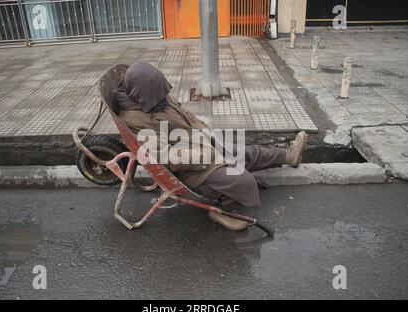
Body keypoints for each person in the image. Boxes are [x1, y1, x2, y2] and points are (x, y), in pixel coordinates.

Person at [113, 62, 307, 231]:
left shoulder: (152, 98)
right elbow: (166, 157)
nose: (165, 97)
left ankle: (288, 156)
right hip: (190, 168)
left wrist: (205, 131)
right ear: (142, 93)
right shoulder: (135, 120)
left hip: (197, 144)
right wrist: (205, 155)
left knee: (244, 153)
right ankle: (223, 210)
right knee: (243, 180)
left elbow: (185, 114)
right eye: (160, 94)